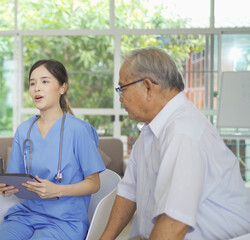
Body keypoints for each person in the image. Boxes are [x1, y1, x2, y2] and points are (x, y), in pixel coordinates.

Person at [100, 47, 250, 240]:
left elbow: (174, 223)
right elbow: (129, 192)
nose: (120, 98)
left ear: (148, 87)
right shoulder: (150, 132)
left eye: (123, 89)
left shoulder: (183, 131)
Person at [0, 59, 106, 239]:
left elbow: (94, 183)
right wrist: (5, 187)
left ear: (62, 88)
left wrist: (58, 190)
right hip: (26, 215)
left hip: (65, 220)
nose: (36, 88)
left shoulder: (79, 130)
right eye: (32, 83)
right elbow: (15, 178)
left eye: (45, 81)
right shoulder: (24, 130)